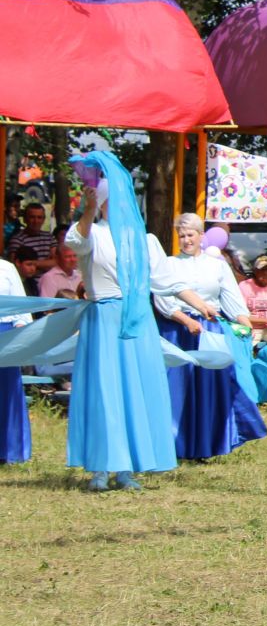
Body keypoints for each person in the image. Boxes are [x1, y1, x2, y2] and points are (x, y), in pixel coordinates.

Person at [62, 150, 178, 490]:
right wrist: (86, 210)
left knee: (131, 392)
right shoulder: (92, 233)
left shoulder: (141, 241)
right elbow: (74, 242)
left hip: (135, 321)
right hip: (102, 319)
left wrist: (196, 303)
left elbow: (163, 281)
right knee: (104, 392)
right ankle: (100, 467)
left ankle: (127, 468)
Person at [151, 212, 267, 462]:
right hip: (177, 330)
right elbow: (163, 299)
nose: (186, 240)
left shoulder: (217, 265)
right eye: (181, 236)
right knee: (178, 388)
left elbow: (232, 299)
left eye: (190, 235)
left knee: (208, 388)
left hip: (210, 331)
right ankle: (174, 444)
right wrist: (185, 320)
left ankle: (204, 445)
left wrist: (245, 327)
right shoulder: (169, 264)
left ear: (201, 236)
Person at [0, 253, 31, 463]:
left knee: (7, 391)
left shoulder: (7, 268)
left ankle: (9, 450)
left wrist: (21, 326)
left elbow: (23, 307)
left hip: (6, 334)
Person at [6, 202, 57, 284]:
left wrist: (33, 263)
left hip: (51, 283)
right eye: (32, 217)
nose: (36, 221)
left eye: (39, 217)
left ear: (43, 220)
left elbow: (56, 263)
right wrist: (46, 263)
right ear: (25, 219)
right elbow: (16, 268)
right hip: (27, 285)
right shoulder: (17, 240)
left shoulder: (50, 238)